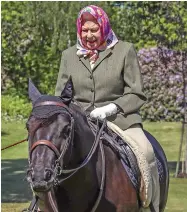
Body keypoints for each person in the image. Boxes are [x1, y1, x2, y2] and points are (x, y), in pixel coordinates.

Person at [55, 5, 160, 212]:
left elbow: (137, 93)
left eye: (93, 29)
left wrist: (111, 108)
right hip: (80, 123)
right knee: (47, 155)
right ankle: (41, 203)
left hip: (119, 120)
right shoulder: (69, 55)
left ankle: (152, 204)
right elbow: (62, 95)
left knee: (147, 152)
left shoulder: (124, 50)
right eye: (85, 30)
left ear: (103, 26)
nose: (89, 35)